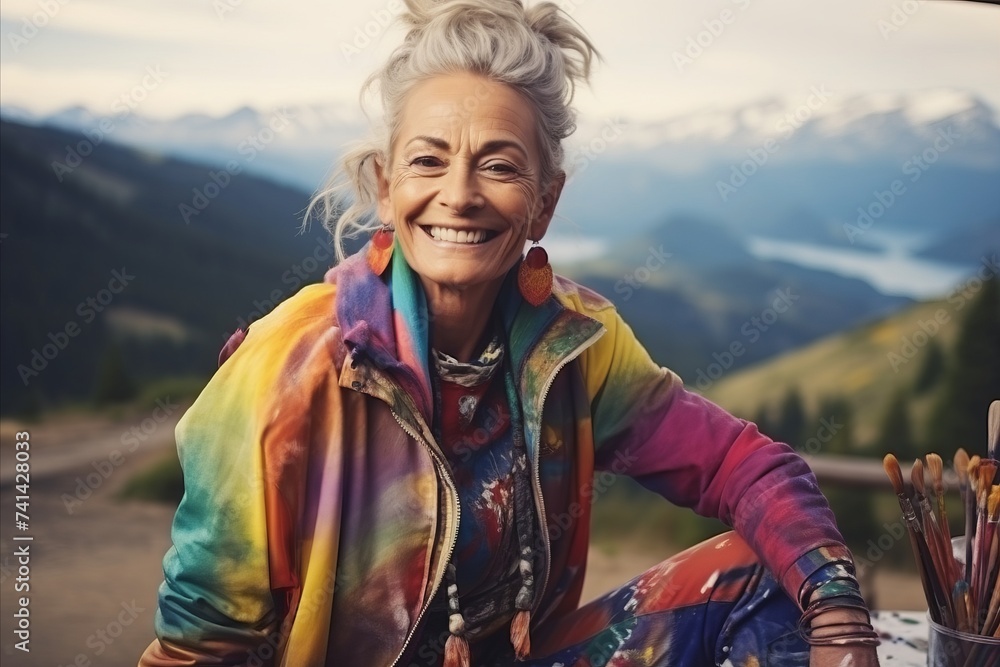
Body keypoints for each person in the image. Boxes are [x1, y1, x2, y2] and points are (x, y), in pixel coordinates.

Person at [139, 1, 882, 665]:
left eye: (498, 164)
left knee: (768, 575)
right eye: (428, 160)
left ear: (544, 202)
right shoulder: (290, 363)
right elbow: (199, 642)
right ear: (384, 183)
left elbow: (741, 464)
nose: (458, 195)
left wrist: (841, 610)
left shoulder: (575, 343)